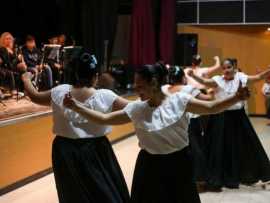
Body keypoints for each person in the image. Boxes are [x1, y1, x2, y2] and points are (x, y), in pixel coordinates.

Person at [64, 63, 249, 203]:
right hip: (149, 166)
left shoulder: (180, 100)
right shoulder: (137, 108)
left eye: (140, 86)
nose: (136, 91)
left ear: (154, 83)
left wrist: (235, 97)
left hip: (179, 163)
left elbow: (212, 107)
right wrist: (76, 107)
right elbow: (104, 119)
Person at [21, 48, 130, 203]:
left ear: (76, 74)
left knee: (72, 194)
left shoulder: (60, 92)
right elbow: (135, 109)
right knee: (103, 193)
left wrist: (26, 78)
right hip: (97, 150)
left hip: (65, 151)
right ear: (96, 76)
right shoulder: (105, 96)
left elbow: (35, 96)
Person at [187, 59, 270, 190]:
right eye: (224, 68)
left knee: (244, 145)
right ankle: (221, 176)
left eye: (229, 67)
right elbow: (205, 82)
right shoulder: (218, 80)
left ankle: (245, 174)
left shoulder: (241, 77)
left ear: (235, 67)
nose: (226, 70)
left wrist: (268, 71)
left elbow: (258, 77)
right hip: (221, 117)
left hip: (238, 118)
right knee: (219, 147)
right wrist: (193, 76)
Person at [163, 65, 214, 192]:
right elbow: (208, 101)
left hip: (173, 124)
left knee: (178, 151)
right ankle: (199, 180)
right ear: (182, 78)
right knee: (196, 150)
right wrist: (211, 91)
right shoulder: (189, 89)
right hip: (191, 122)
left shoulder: (164, 88)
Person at [0, 32, 27, 98]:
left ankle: (25, 89)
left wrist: (21, 61)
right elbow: (8, 64)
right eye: (7, 39)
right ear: (3, 40)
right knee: (11, 73)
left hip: (13, 67)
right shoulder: (3, 49)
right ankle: (14, 92)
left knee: (25, 69)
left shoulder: (14, 49)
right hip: (7, 68)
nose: (9, 40)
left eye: (10, 38)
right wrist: (17, 59)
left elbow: (16, 62)